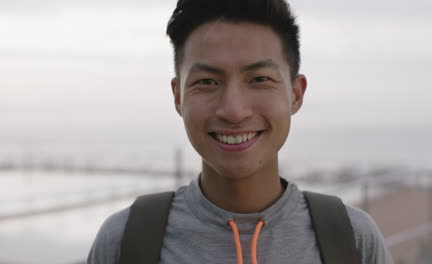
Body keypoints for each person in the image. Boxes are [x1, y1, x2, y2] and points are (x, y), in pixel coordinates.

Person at [88, 0, 393, 263]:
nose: (234, 110)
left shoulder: (352, 239)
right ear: (178, 96)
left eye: (259, 79)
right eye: (207, 81)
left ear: (296, 94)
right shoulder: (125, 241)